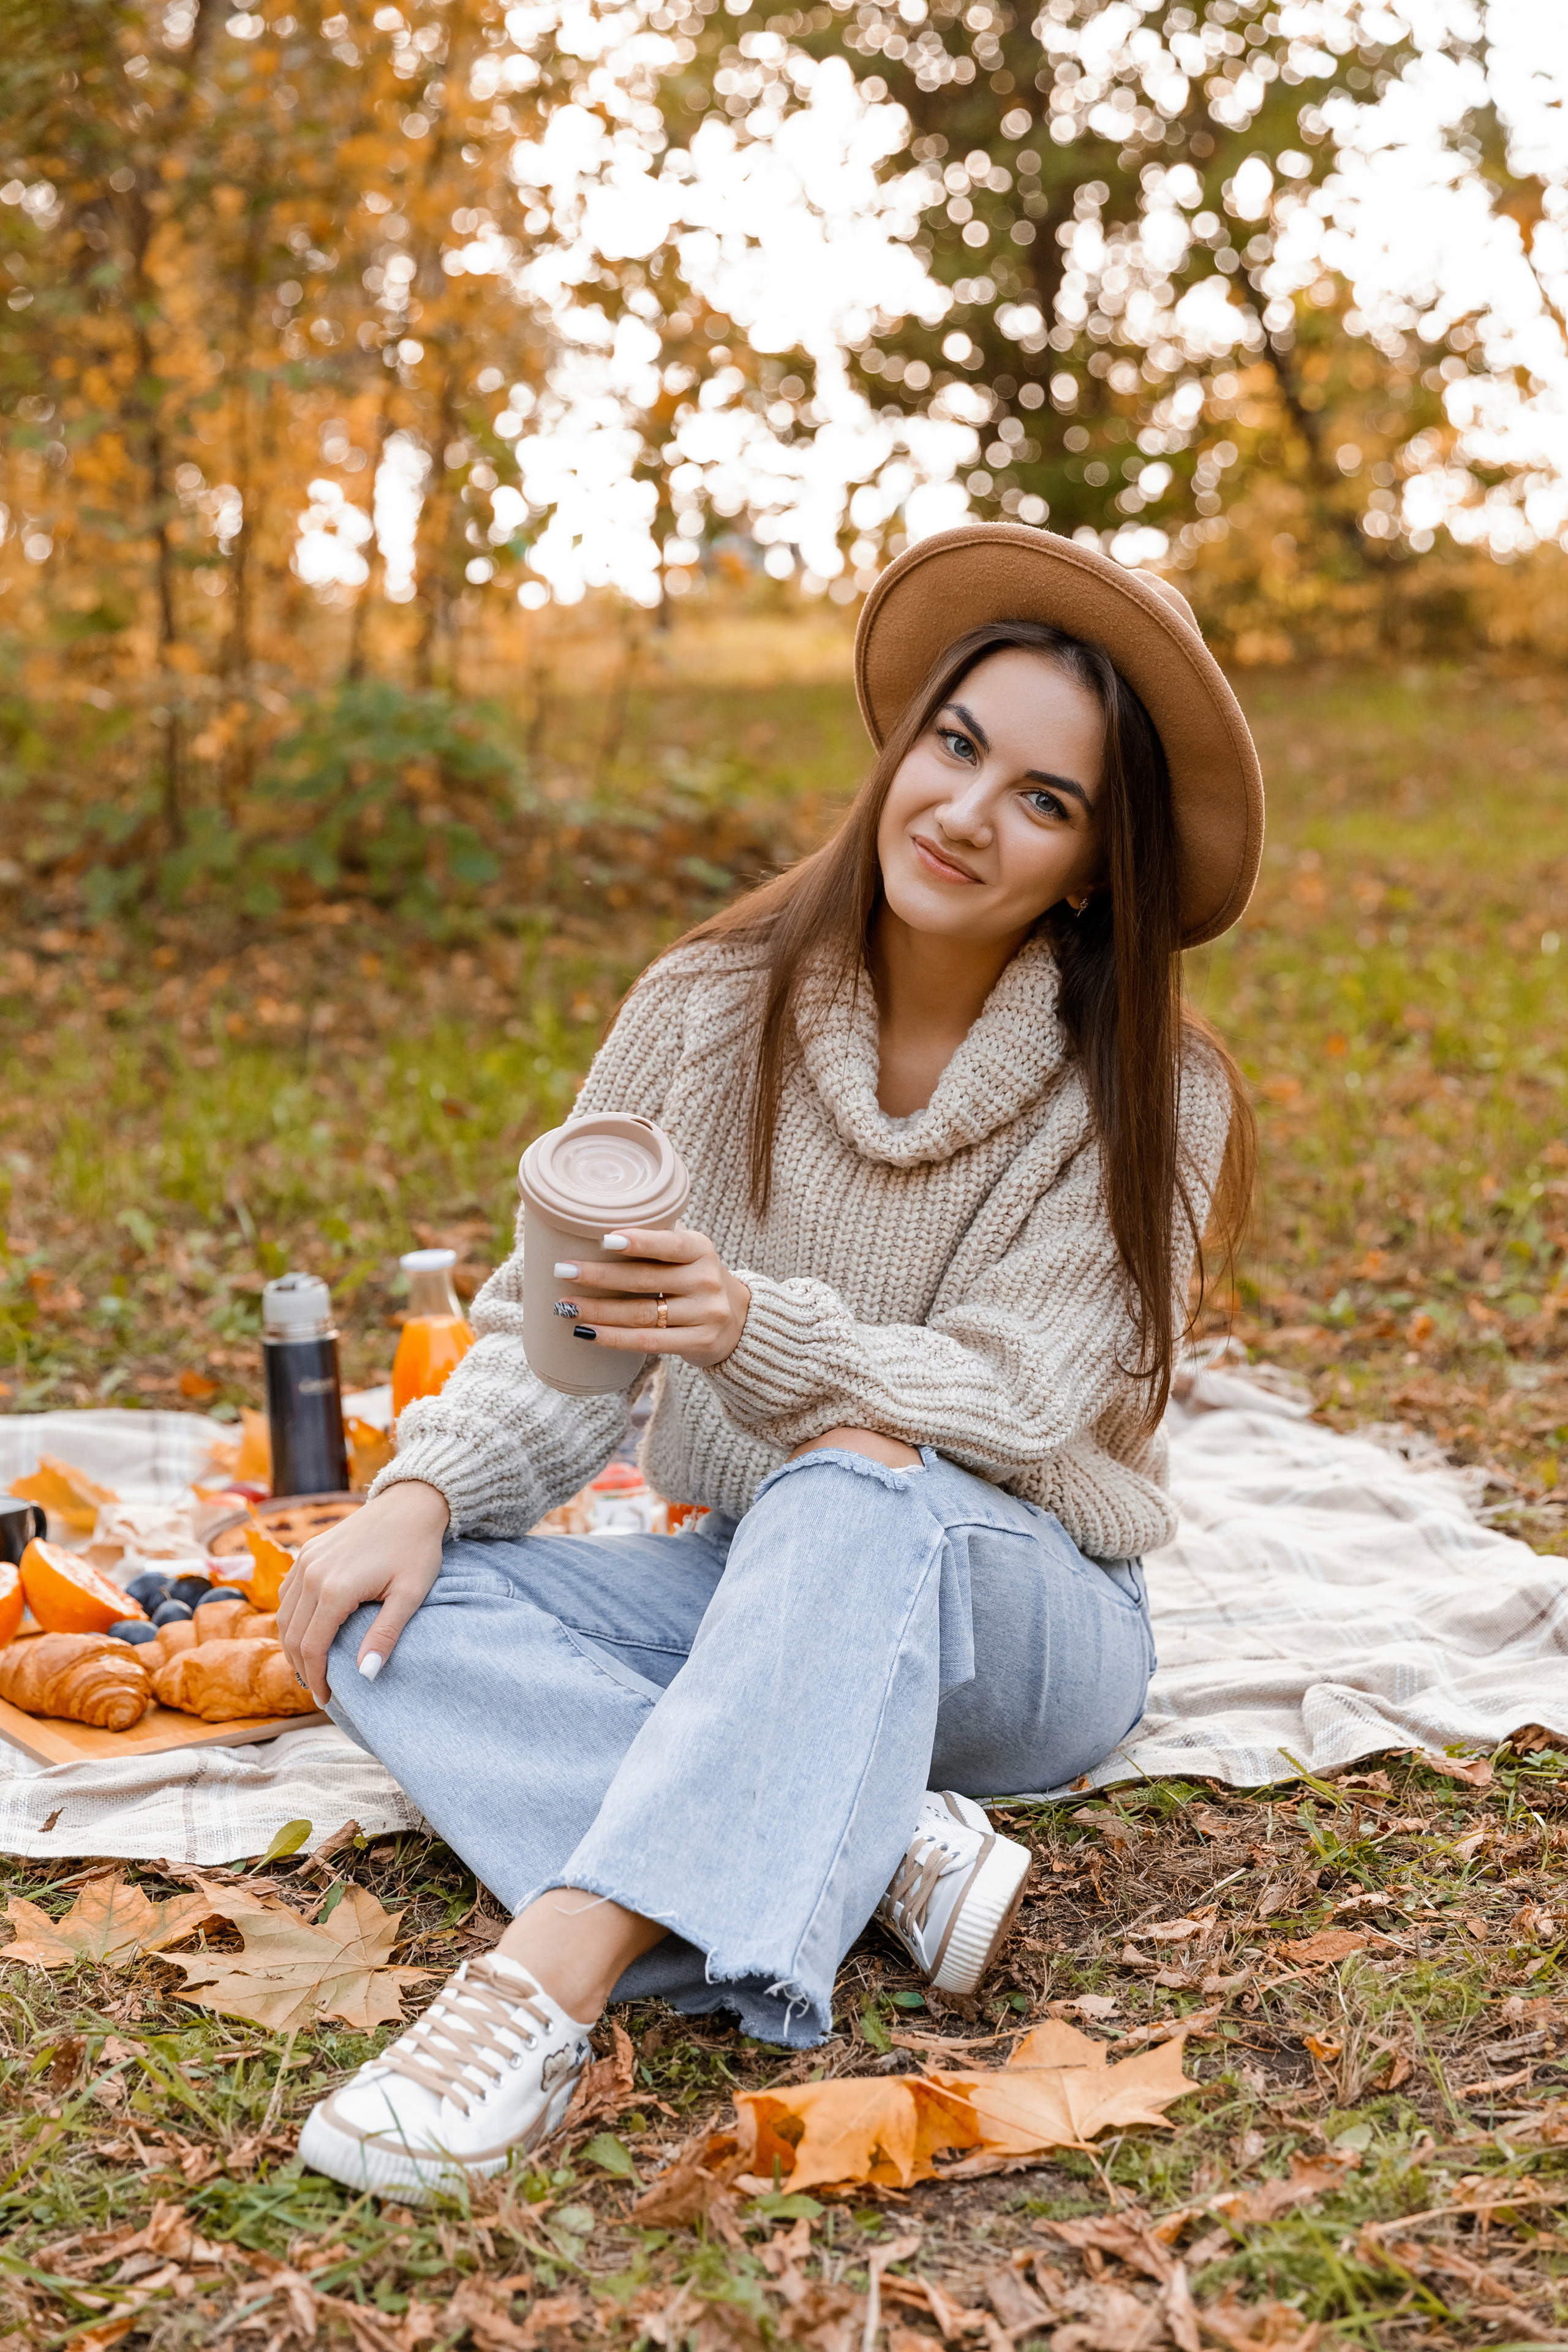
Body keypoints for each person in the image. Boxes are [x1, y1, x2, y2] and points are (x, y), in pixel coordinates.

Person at [279, 523, 1262, 2200]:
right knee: (378, 1618)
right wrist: (428, 1488)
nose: (966, 811)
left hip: (1016, 1614)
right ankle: (872, 1843)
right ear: (903, 748)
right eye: (957, 747)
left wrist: (755, 1323)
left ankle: (539, 1993)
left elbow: (1017, 1404)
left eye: (1046, 798)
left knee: (857, 1472)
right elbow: (572, 1333)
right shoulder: (706, 1008)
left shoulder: (1156, 1094)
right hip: (758, 1581)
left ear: (1096, 864)